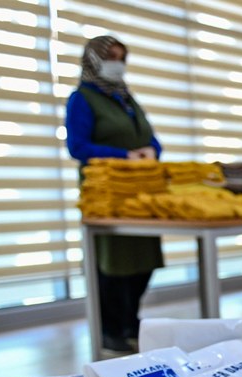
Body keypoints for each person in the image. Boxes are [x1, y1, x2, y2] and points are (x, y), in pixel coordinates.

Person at [65, 35, 162, 353]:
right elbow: (78, 146)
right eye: (110, 57)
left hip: (139, 192)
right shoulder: (82, 99)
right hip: (106, 194)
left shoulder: (126, 99)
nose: (117, 64)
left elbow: (149, 136)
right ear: (93, 60)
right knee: (112, 262)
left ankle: (131, 321)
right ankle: (111, 329)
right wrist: (124, 156)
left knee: (143, 259)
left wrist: (151, 150)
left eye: (121, 57)